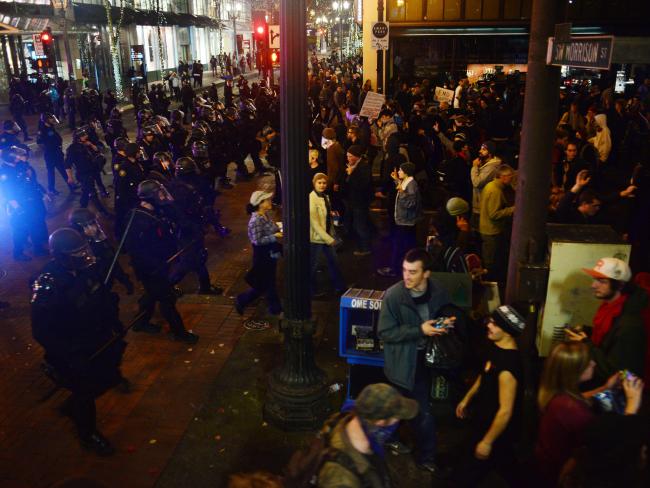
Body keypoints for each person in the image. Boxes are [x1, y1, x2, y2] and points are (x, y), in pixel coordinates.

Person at [31, 228, 127, 455]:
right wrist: (69, 354)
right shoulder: (48, 284)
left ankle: (73, 403)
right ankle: (88, 433)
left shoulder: (87, 269)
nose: (83, 256)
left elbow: (101, 297)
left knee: (107, 376)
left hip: (95, 338)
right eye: (76, 253)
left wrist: (114, 322)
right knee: (85, 391)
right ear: (61, 256)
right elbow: (42, 331)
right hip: (71, 350)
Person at [377, 248, 453, 475]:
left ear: (426, 273)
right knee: (423, 412)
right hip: (403, 362)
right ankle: (427, 457)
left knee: (399, 405)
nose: (406, 276)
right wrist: (420, 330)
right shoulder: (394, 296)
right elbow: (385, 332)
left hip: (429, 359)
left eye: (413, 272)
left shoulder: (439, 292)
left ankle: (388, 437)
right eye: (404, 270)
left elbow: (444, 316)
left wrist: (444, 324)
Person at [535, 342, 644, 487]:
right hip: (558, 474)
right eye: (588, 362)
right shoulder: (574, 412)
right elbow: (611, 446)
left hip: (545, 464)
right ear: (575, 371)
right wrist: (632, 403)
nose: (593, 363)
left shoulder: (557, 394)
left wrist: (605, 387)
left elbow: (580, 398)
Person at [454, 305, 526, 487]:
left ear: (508, 332)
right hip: (484, 421)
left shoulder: (508, 368)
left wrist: (487, 442)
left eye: (495, 324)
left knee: (469, 473)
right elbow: (484, 375)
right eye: (491, 321)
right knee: (507, 466)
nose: (489, 326)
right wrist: (466, 398)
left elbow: (505, 411)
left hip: (496, 431)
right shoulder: (495, 347)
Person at [125, 180, 199, 344]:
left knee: (152, 294)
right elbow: (137, 250)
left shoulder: (154, 211)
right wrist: (156, 266)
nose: (162, 196)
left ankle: (141, 323)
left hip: (160, 263)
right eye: (158, 193)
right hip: (151, 268)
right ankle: (179, 332)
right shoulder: (139, 221)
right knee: (166, 299)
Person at [317, 383, 418, 487]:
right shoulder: (340, 478)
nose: (398, 421)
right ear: (380, 422)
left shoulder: (348, 419)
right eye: (397, 417)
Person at [566, 258, 648, 383]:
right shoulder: (612, 306)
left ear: (619, 285)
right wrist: (587, 331)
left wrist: (586, 344)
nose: (593, 285)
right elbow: (610, 337)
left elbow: (616, 371)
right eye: (595, 280)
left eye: (602, 281)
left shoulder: (630, 323)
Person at [235, 191, 283, 316]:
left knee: (267, 282)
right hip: (262, 255)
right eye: (267, 200)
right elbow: (257, 241)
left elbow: (271, 229)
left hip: (270, 253)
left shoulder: (264, 215)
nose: (270, 201)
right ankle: (273, 308)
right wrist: (274, 236)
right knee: (267, 283)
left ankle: (274, 307)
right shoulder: (255, 220)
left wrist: (278, 228)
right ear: (260, 203)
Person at [67, 208, 134, 294]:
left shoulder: (99, 229)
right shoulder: (77, 238)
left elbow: (106, 239)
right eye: (86, 226)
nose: (91, 229)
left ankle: (127, 283)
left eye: (92, 224)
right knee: (102, 278)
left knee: (117, 270)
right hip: (95, 260)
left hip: (105, 252)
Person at [0, 146, 49, 261]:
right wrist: (17, 207)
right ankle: (18, 253)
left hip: (32, 200)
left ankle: (38, 248)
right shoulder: (4, 173)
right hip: (20, 205)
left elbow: (31, 182)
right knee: (20, 230)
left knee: (35, 225)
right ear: (10, 157)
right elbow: (8, 193)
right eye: (16, 155)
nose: (19, 156)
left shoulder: (21, 166)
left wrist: (42, 193)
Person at [377, 162, 422, 277]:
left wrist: (401, 193)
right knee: (403, 245)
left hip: (406, 221)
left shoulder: (411, 184)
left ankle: (395, 269)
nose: (399, 172)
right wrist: (397, 181)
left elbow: (410, 203)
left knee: (400, 246)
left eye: (401, 170)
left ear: (406, 172)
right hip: (404, 220)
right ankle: (402, 268)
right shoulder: (407, 182)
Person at [309, 173, 345, 297]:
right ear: (314, 183)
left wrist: (331, 214)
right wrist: (329, 239)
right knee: (312, 266)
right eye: (319, 182)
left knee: (333, 262)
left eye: (324, 183)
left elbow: (324, 215)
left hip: (326, 235)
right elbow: (314, 223)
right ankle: (311, 291)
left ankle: (340, 286)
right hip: (317, 238)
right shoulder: (311, 199)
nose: (322, 185)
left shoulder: (325, 196)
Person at [479, 164, 515, 282]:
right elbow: (494, 214)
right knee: (491, 261)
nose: (512, 178)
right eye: (510, 176)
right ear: (503, 177)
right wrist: (512, 209)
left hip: (486, 227)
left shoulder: (490, 185)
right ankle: (490, 284)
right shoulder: (496, 191)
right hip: (491, 230)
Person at [341, 145, 372, 257]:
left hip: (360, 201)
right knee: (357, 224)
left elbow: (362, 184)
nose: (348, 158)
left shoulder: (364, 167)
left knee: (360, 225)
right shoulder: (354, 165)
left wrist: (351, 174)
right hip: (353, 200)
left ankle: (365, 248)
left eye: (350, 156)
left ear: (356, 156)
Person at [38, 113, 76, 195]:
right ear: (46, 120)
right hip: (51, 155)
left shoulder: (51, 127)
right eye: (50, 118)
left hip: (57, 153)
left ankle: (71, 186)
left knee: (63, 170)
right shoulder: (43, 130)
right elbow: (42, 142)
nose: (52, 119)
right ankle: (51, 189)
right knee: (51, 172)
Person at [470, 140, 501, 228]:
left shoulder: (491, 167)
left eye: (484, 149)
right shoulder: (484, 163)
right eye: (481, 148)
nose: (480, 151)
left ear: (490, 153)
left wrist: (474, 167)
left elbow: (477, 183)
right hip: (479, 203)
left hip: (482, 206)